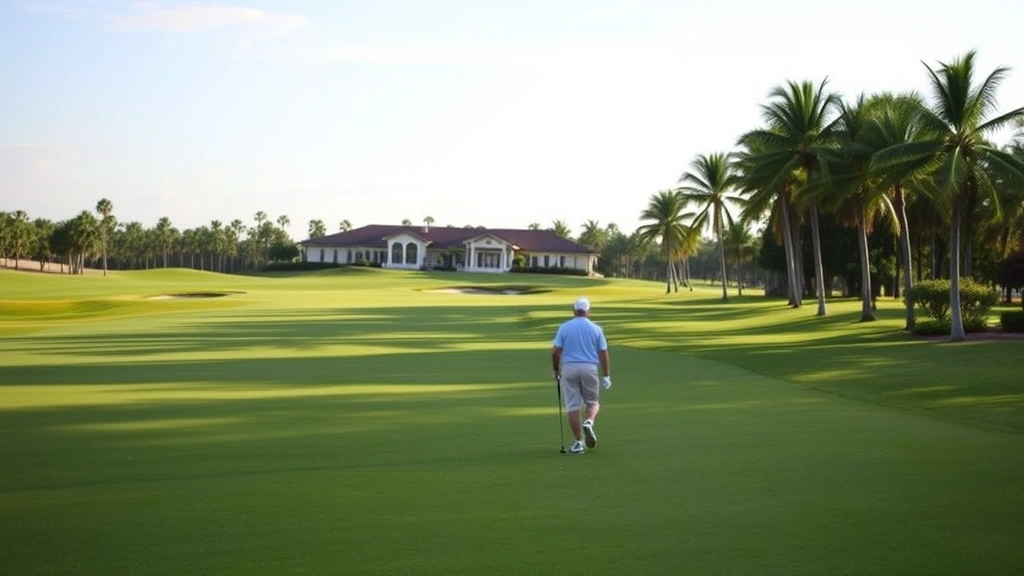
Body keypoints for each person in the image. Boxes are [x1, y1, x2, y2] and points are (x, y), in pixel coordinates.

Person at [551, 297, 611, 454]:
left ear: (574, 311)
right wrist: (606, 374)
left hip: (569, 368)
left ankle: (578, 442)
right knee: (593, 403)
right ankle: (589, 422)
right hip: (589, 367)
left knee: (572, 406)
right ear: (589, 312)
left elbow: (555, 352)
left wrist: (555, 369)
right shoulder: (596, 329)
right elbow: (603, 353)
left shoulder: (564, 327)